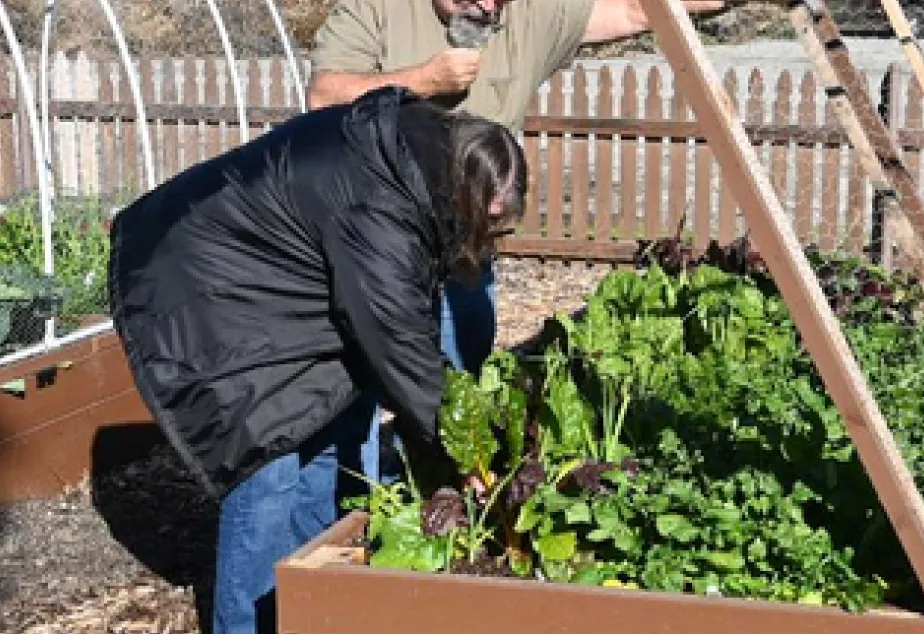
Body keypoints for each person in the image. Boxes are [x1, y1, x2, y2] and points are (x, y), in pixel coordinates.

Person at [105, 86, 528, 634]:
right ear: (464, 192)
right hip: (204, 284)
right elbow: (400, 342)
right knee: (268, 463)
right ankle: (249, 624)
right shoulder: (381, 204)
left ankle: (310, 611)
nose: (488, 238)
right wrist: (466, 452)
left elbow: (404, 319)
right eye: (488, 223)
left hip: (272, 282)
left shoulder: (419, 162)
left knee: (331, 429)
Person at [304, 0, 736, 487]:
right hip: (373, 252)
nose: (488, 7)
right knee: (358, 394)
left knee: (456, 391)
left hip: (464, 258)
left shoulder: (526, 15)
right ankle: (356, 505)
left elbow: (639, 9)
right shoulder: (377, 9)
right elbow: (324, 97)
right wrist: (424, 80)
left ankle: (424, 496)